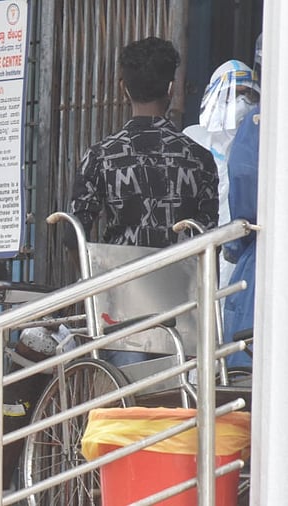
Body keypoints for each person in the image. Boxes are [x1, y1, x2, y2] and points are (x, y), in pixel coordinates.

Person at [68, 37, 218, 367]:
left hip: (119, 308)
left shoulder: (101, 156)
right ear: (171, 88)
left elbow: (74, 236)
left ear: (123, 88)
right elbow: (211, 241)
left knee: (127, 405)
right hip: (184, 310)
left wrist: (98, 293)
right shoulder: (199, 159)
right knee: (182, 405)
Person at [183, 60, 260, 286]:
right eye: (234, 94)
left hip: (244, 246)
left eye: (249, 95)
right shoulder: (194, 139)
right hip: (201, 243)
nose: (242, 102)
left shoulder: (260, 147)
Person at [222, 34, 263, 370]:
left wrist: (236, 246)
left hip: (264, 257)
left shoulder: (260, 122)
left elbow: (245, 179)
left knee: (246, 375)